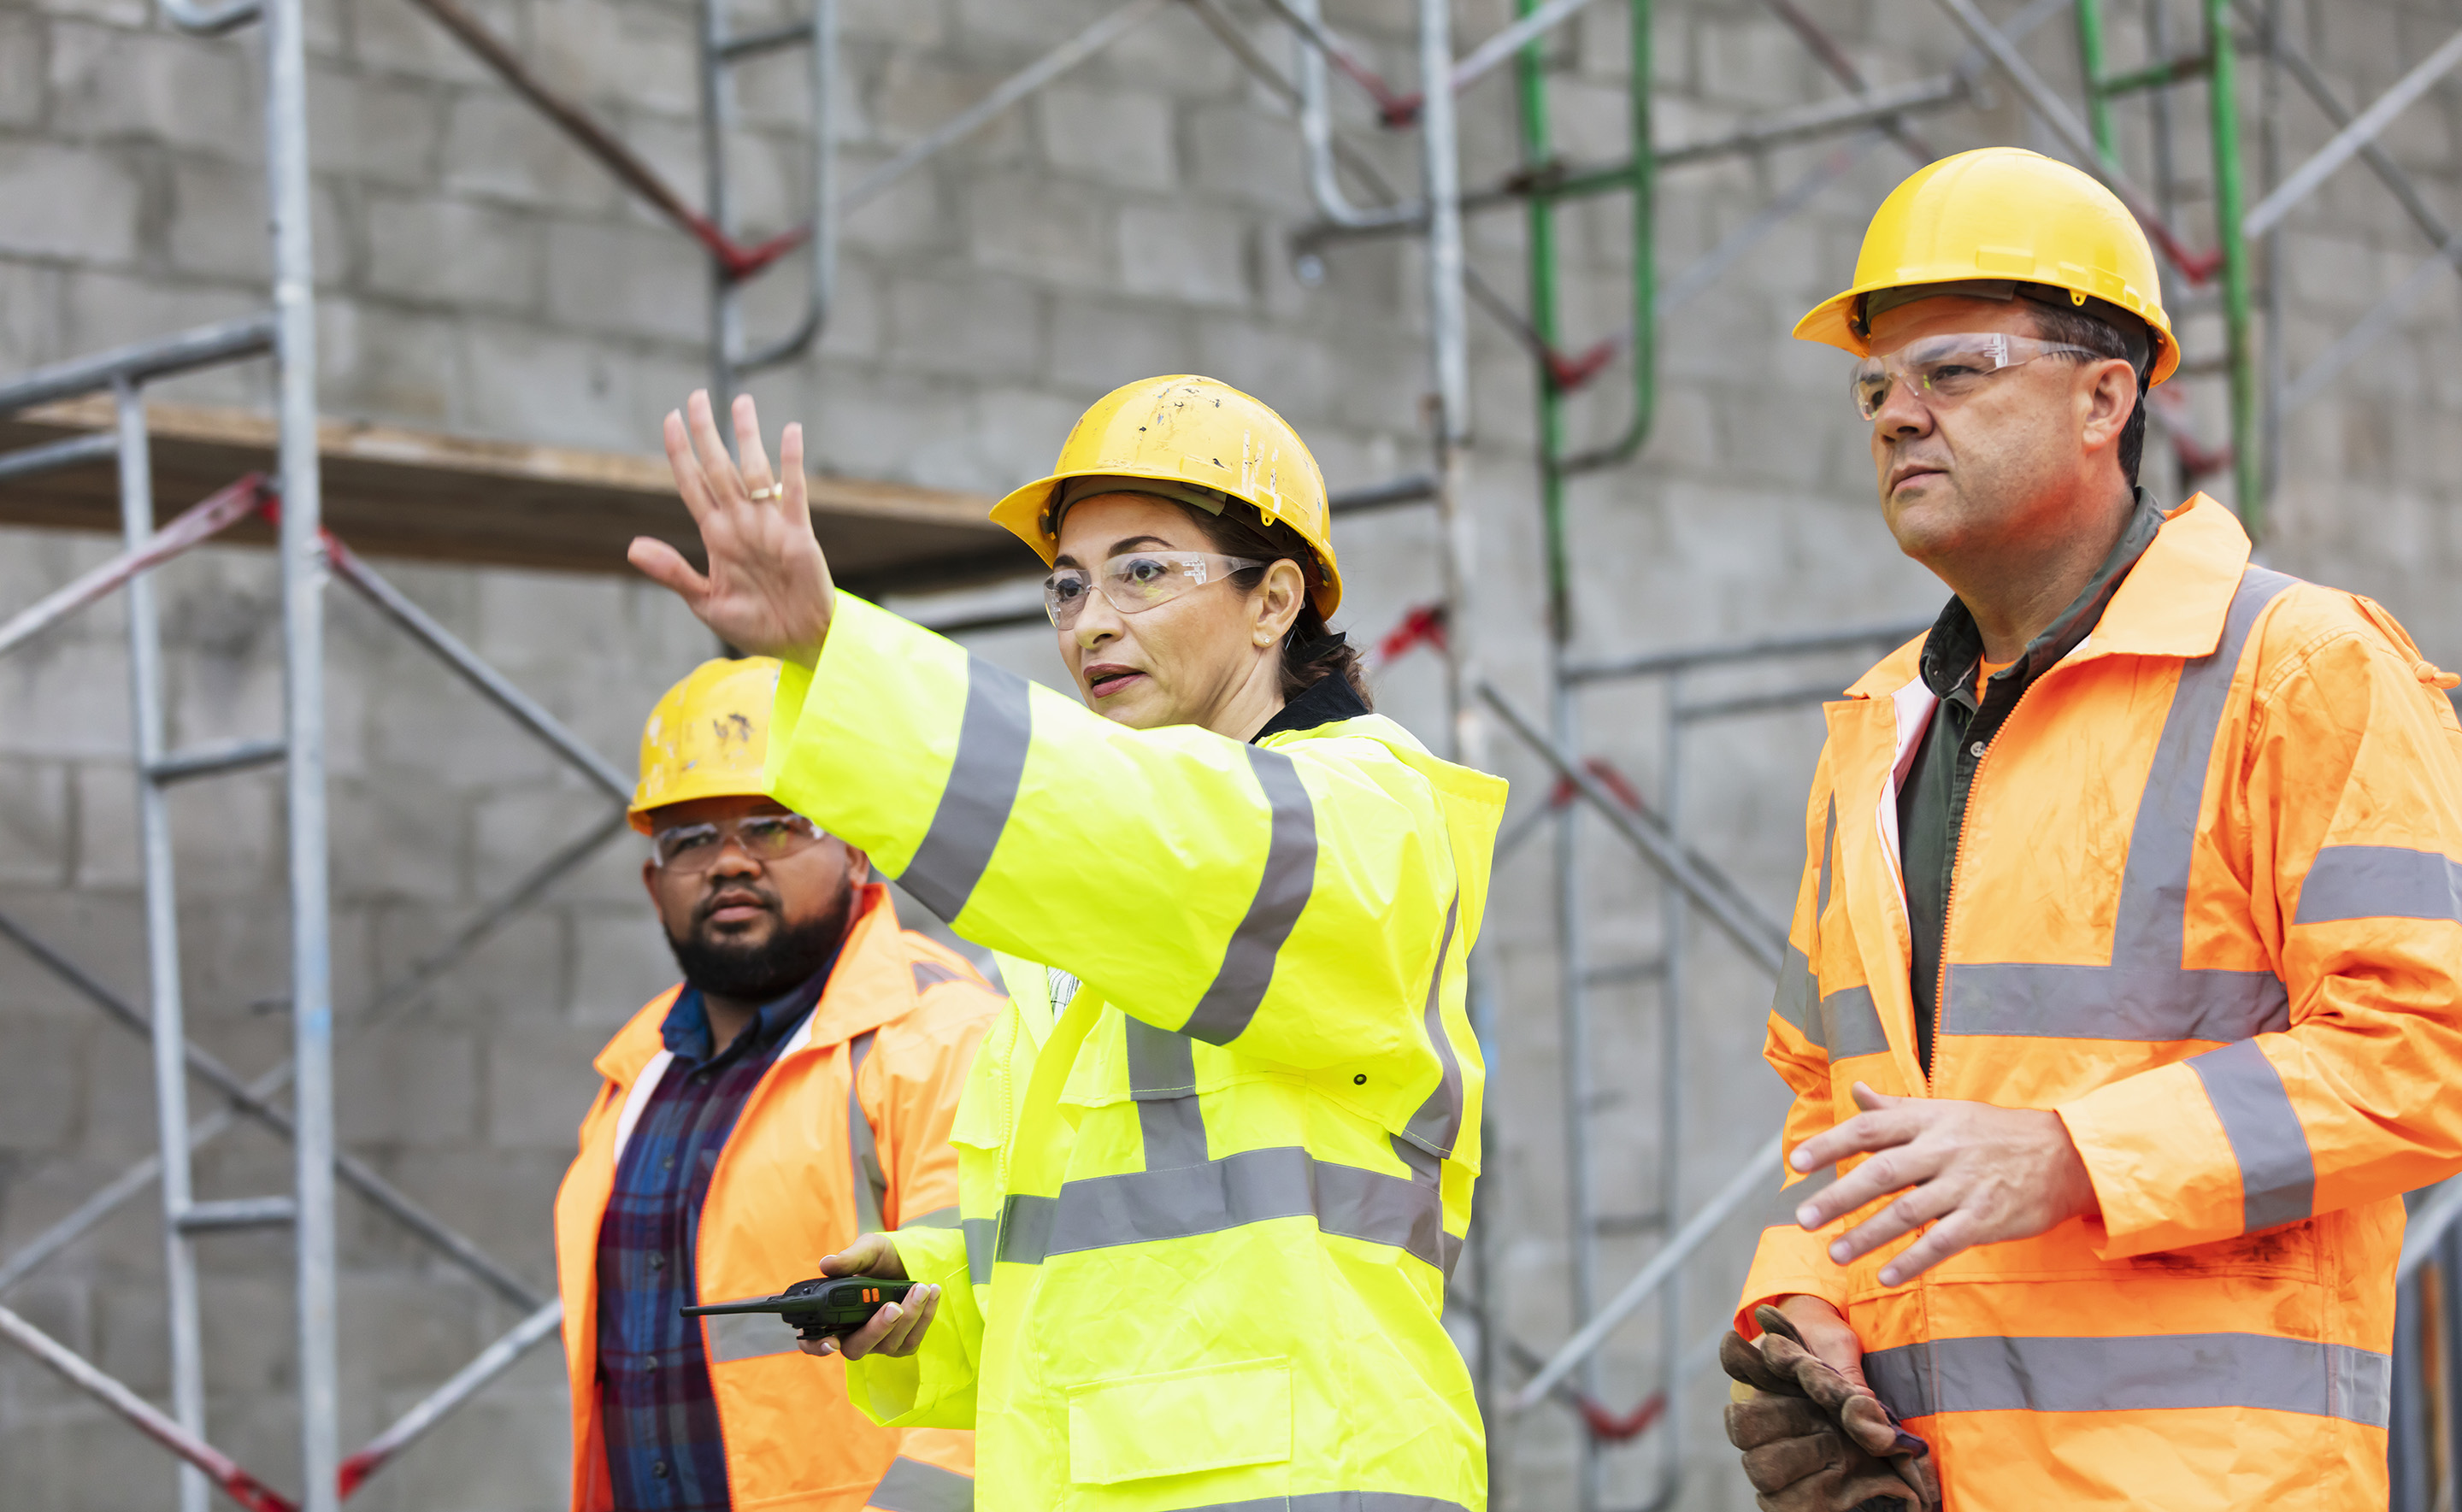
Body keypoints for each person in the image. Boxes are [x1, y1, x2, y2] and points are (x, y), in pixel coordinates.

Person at [1722, 144, 2462, 1510]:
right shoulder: (1880, 727)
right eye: (1875, 386)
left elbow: (2429, 1050)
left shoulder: (2300, 669)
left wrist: (2073, 1157)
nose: (1897, 417)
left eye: (1956, 372)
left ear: (2105, 398)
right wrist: (1805, 1300)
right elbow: (1830, 1101)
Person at [625, 374, 1506, 1512]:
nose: (1090, 621)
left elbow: (1149, 828)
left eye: (1143, 571)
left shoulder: (1365, 819)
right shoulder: (1087, 924)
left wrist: (835, 650)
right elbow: (1107, 1281)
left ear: (1275, 600)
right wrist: (934, 1293)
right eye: (1068, 584)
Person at [553, 657, 998, 1512]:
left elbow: (988, 1329)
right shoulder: (638, 1072)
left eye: (774, 825)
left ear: (857, 850)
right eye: (690, 839)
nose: (729, 862)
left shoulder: (940, 1036)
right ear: (654, 883)